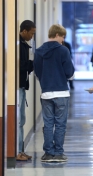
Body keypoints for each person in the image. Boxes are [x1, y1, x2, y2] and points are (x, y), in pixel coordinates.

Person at [34, 24, 75, 162]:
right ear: (57, 35)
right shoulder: (63, 50)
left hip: (46, 93)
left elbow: (38, 72)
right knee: (60, 124)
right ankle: (58, 153)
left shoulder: (39, 51)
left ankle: (48, 153)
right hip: (62, 93)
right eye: (62, 36)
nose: (63, 40)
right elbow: (69, 72)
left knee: (48, 123)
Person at [17, 20, 36, 161]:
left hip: (23, 86)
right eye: (31, 33)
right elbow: (21, 66)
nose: (32, 36)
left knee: (22, 120)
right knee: (18, 121)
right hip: (18, 87)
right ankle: (17, 152)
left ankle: (21, 150)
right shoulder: (18, 45)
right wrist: (33, 64)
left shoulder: (25, 45)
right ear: (24, 31)